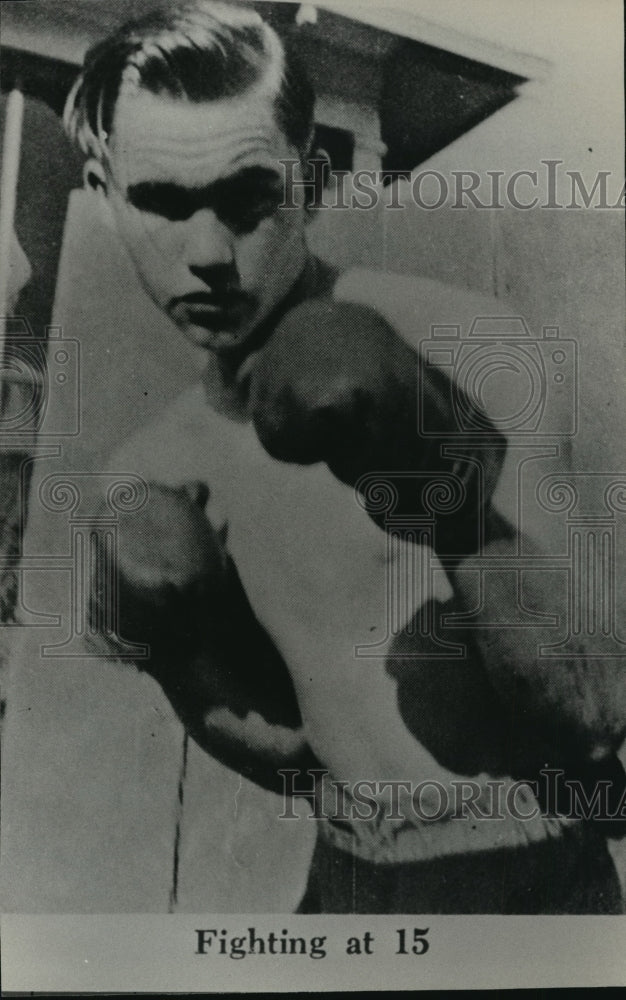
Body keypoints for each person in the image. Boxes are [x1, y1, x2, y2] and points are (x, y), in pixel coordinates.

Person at [64, 0, 625, 913]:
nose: (208, 255)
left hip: (530, 865)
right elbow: (295, 759)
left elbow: (594, 713)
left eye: (248, 203)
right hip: (344, 874)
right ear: (100, 191)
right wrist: (178, 651)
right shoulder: (152, 463)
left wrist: (444, 484)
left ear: (310, 181)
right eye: (162, 204)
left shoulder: (464, 343)